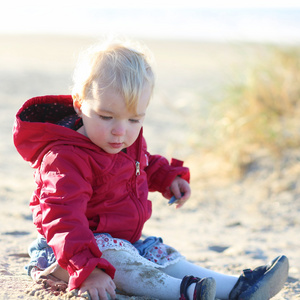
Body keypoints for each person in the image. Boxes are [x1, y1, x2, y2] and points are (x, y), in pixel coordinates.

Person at [13, 39, 289, 300]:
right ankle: (186, 292)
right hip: (68, 252)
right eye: (106, 117)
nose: (120, 131)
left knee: (161, 255)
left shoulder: (120, 141)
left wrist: (168, 178)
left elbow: (143, 162)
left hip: (124, 242)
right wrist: (88, 270)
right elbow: (62, 219)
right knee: (118, 260)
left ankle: (237, 287)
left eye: (134, 119)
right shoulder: (64, 158)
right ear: (79, 104)